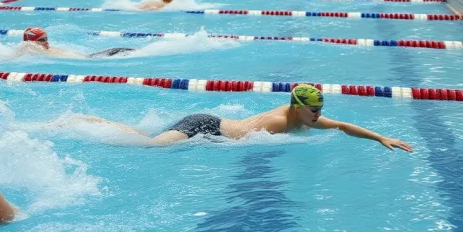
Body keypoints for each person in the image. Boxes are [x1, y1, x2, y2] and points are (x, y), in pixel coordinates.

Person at [66, 84, 414, 151]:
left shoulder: (301, 119)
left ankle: (91, 120)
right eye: (314, 110)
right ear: (297, 107)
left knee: (147, 137)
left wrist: (381, 136)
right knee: (147, 146)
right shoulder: (280, 124)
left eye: (320, 110)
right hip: (203, 127)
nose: (319, 115)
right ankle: (86, 122)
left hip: (211, 124)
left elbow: (342, 126)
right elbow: (242, 145)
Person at [17, 27, 134, 59]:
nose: (46, 42)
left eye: (46, 38)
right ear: (32, 42)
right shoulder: (32, 49)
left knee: (121, 50)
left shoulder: (43, 50)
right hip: (90, 60)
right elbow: (25, 47)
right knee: (119, 51)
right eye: (42, 40)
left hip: (89, 57)